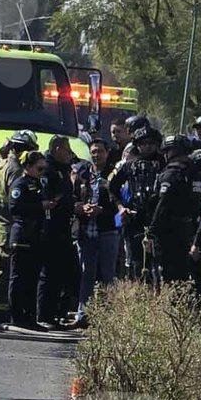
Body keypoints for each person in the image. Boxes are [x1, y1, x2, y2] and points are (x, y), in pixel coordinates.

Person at [146, 137, 201, 325]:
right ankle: (199, 319)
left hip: (171, 232)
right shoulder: (195, 173)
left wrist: (151, 232)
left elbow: (162, 204)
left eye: (167, 152)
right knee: (192, 275)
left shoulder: (172, 173)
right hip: (191, 230)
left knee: (172, 276)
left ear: (173, 152)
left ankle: (179, 318)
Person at [0, 130, 38, 319]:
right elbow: (17, 202)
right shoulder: (16, 170)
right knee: (4, 271)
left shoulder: (0, 166)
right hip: (9, 227)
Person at [72, 138, 119, 326]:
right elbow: (73, 198)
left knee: (108, 274)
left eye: (100, 151)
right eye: (93, 151)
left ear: (107, 153)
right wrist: (81, 208)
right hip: (85, 231)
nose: (96, 155)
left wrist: (104, 211)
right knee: (86, 274)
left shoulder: (114, 175)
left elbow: (120, 204)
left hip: (107, 231)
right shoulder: (83, 174)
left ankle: (108, 317)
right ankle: (82, 315)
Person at [38, 135, 80, 327]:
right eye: (66, 149)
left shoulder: (62, 169)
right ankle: (45, 315)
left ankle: (56, 313)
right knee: (49, 274)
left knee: (63, 273)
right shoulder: (48, 170)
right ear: (57, 149)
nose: (69, 153)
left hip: (64, 228)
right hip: (51, 228)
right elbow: (50, 199)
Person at [111, 125, 163, 281]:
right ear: (138, 145)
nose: (147, 146)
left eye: (151, 143)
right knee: (138, 263)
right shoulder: (130, 165)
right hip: (135, 219)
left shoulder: (164, 163)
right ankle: (141, 296)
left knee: (159, 264)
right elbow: (112, 186)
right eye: (143, 143)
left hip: (160, 219)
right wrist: (121, 208)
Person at [6, 150, 50, 329]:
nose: (42, 172)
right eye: (39, 168)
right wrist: (40, 206)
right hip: (22, 235)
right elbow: (14, 207)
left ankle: (30, 317)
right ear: (28, 167)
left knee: (32, 277)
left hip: (36, 236)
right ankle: (16, 316)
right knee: (18, 278)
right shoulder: (20, 184)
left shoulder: (38, 183)